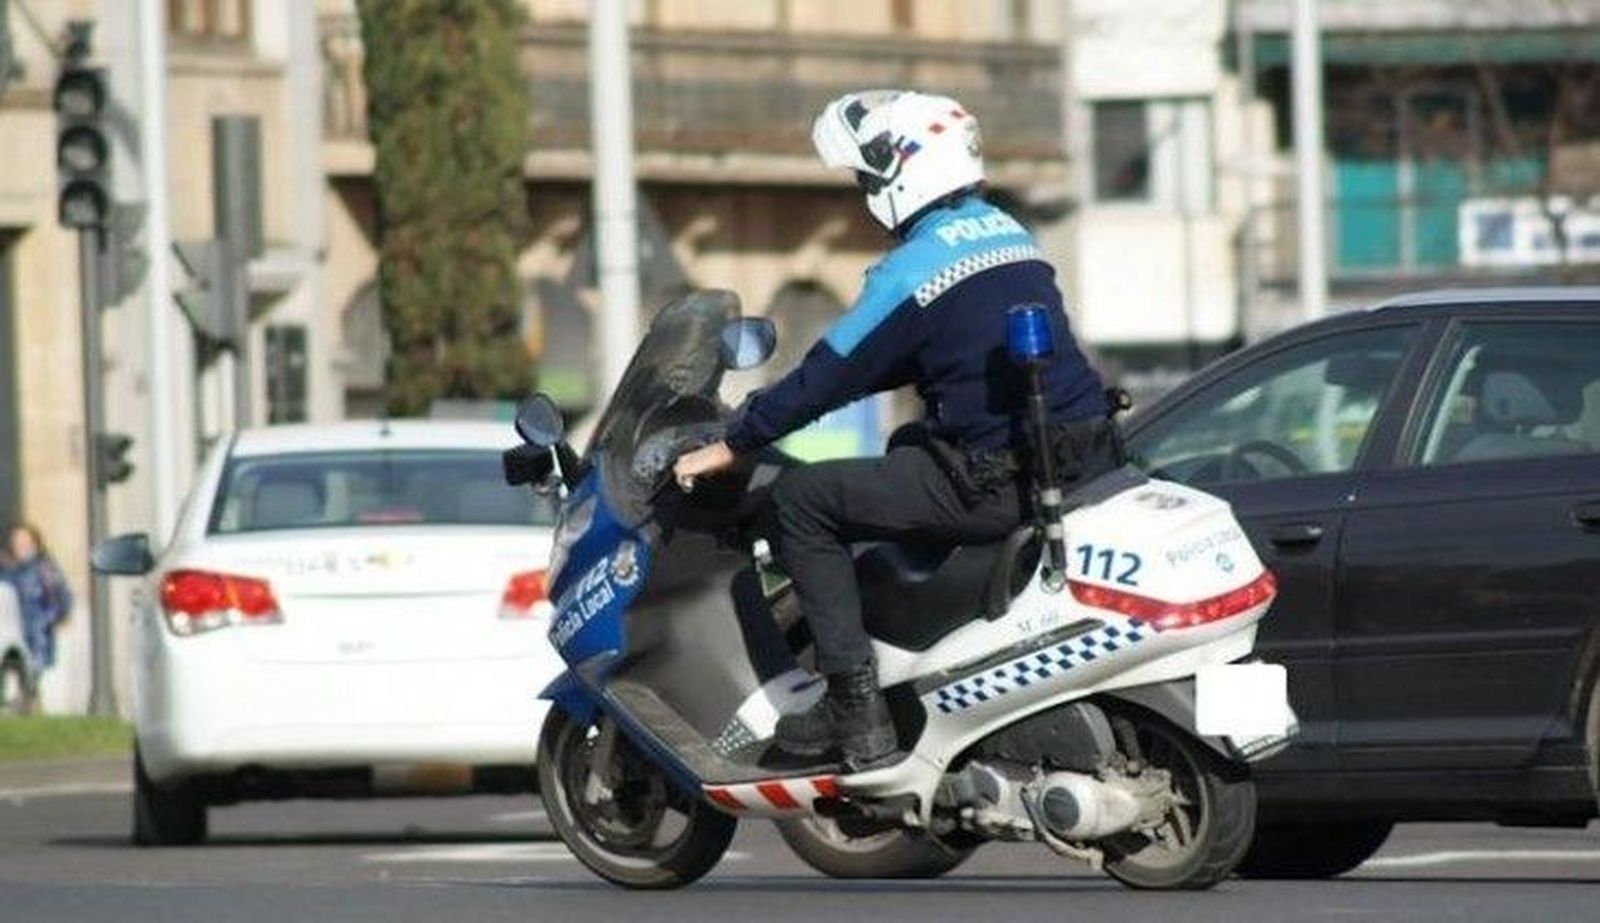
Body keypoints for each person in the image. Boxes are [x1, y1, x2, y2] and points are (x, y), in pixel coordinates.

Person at [674, 90, 1120, 768]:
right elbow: (927, 353)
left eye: (865, 179)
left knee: (803, 502)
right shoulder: (1007, 234)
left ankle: (855, 709)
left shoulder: (917, 266)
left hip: (995, 478)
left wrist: (735, 440)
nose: (862, 193)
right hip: (1082, 457)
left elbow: (830, 371)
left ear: (901, 172)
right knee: (906, 448)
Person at [4, 523, 74, 687]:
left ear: (34, 543)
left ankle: (30, 699)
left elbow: (61, 594)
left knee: (34, 674)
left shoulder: (44, 568)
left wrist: (58, 617)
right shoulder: (10, 569)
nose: (20, 546)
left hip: (37, 631)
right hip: (13, 628)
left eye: (24, 541)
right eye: (16, 542)